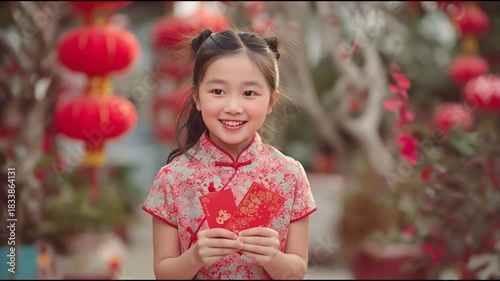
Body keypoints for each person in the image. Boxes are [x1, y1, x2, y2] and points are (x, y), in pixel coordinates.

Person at [142, 27, 317, 280]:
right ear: (197, 98)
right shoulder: (172, 179)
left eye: (249, 93)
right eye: (217, 91)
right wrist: (195, 256)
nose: (233, 107)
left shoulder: (289, 175)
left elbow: (297, 272)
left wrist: (273, 257)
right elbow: (164, 274)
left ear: (271, 101)